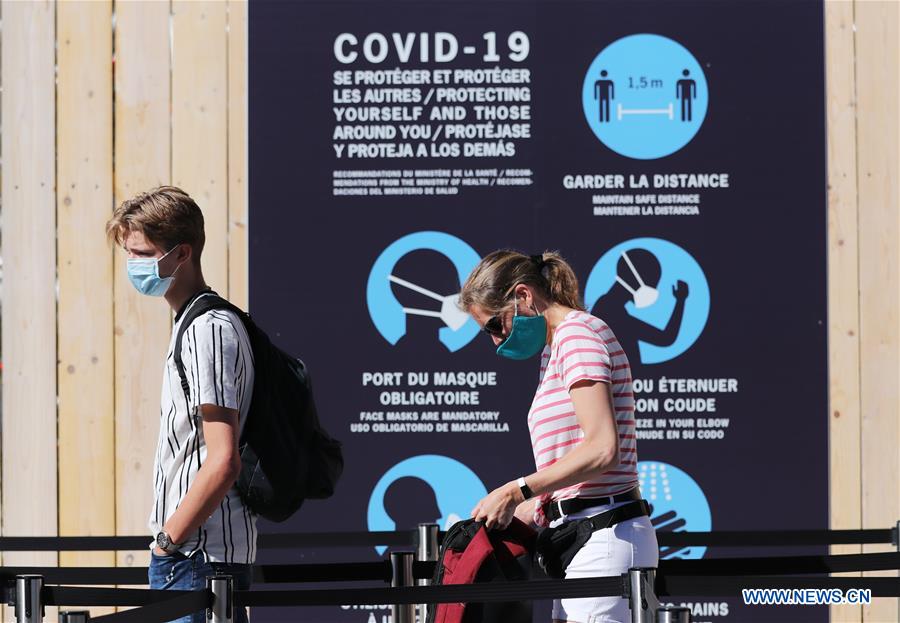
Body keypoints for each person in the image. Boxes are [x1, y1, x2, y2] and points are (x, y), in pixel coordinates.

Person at [459, 250, 658, 623]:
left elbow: (603, 449)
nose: (496, 341)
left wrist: (516, 489)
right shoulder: (556, 347)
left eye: (494, 325)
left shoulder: (577, 335)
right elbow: (572, 465)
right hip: (578, 536)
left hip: (604, 533)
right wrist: (525, 507)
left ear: (523, 296)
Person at [106, 186, 256, 623]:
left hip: (197, 557)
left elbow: (223, 459)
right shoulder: (196, 323)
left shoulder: (207, 329)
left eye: (143, 252)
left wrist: (168, 541)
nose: (134, 265)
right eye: (129, 253)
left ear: (182, 253)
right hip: (199, 553)